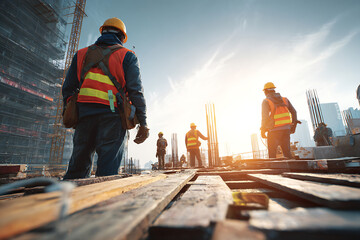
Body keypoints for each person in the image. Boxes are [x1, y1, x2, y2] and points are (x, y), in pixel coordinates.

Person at [62, 17, 149, 179]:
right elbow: (135, 91)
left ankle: (68, 201)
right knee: (107, 173)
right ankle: (102, 204)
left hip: (84, 116)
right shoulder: (127, 56)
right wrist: (143, 122)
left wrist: (69, 110)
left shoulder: (80, 54)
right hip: (113, 116)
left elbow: (68, 89)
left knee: (78, 168)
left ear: (103, 32)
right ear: (122, 37)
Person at [260, 82, 298, 159]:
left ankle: (275, 170)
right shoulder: (285, 99)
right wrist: (293, 126)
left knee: (272, 155)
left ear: (266, 91)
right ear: (274, 90)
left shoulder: (266, 101)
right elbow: (294, 112)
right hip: (286, 129)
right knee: (287, 153)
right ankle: (292, 169)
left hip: (274, 130)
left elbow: (265, 117)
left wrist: (263, 130)